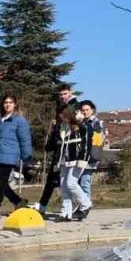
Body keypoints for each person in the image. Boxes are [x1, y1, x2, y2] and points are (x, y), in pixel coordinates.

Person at [35, 84, 78, 216]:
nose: (62, 97)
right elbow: (58, 129)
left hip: (68, 146)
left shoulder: (75, 105)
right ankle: (43, 204)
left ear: (70, 93)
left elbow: (73, 125)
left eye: (65, 94)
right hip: (59, 145)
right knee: (53, 177)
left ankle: (75, 204)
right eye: (60, 95)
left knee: (64, 180)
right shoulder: (60, 106)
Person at [53, 107, 93, 222]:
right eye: (61, 117)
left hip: (77, 159)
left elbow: (86, 144)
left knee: (71, 183)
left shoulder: (82, 126)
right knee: (64, 185)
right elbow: (59, 146)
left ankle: (86, 204)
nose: (62, 119)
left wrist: (83, 159)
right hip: (64, 159)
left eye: (64, 116)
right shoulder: (63, 128)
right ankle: (66, 212)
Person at [77, 100, 105, 202]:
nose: (85, 112)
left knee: (85, 182)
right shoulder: (81, 122)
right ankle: (82, 204)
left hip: (90, 156)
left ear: (92, 110)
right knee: (78, 183)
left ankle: (85, 206)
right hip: (80, 156)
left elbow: (97, 138)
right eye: (83, 110)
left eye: (87, 110)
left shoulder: (96, 122)